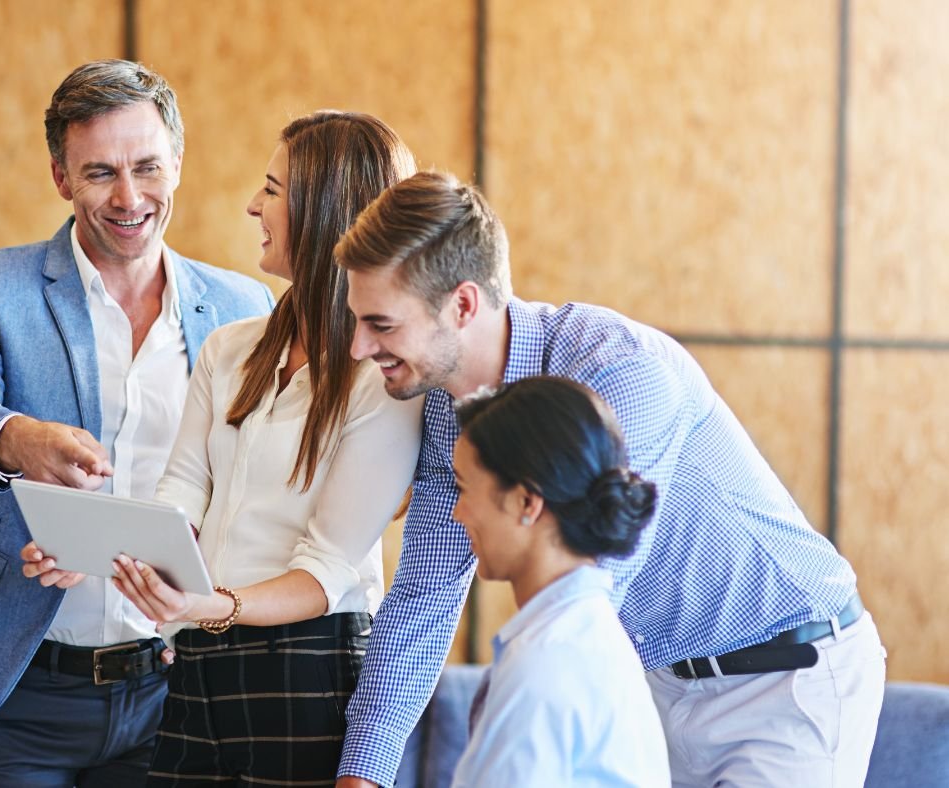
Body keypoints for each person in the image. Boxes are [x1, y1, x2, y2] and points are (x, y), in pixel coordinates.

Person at [332, 171, 886, 788]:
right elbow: (422, 602)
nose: (358, 348)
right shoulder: (446, 410)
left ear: (462, 305)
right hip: (660, 681)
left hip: (785, 674)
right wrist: (363, 777)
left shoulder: (618, 371)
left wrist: (508, 708)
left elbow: (587, 592)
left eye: (380, 324)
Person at [0, 60, 274, 787]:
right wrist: (18, 440)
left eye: (147, 168)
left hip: (176, 689)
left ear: (178, 163)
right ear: (59, 177)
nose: (130, 198)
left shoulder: (244, 307)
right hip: (17, 687)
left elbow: (255, 486)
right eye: (100, 172)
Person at [33, 111, 423, 785]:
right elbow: (181, 492)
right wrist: (96, 549)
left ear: (327, 209)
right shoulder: (230, 350)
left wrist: (210, 606)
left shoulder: (387, 377)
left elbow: (328, 570)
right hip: (199, 663)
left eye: (271, 190)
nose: (252, 205)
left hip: (313, 670)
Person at [447, 376, 668, 786]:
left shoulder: (546, 661)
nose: (458, 513)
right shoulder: (585, 633)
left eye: (464, 488)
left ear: (526, 502)